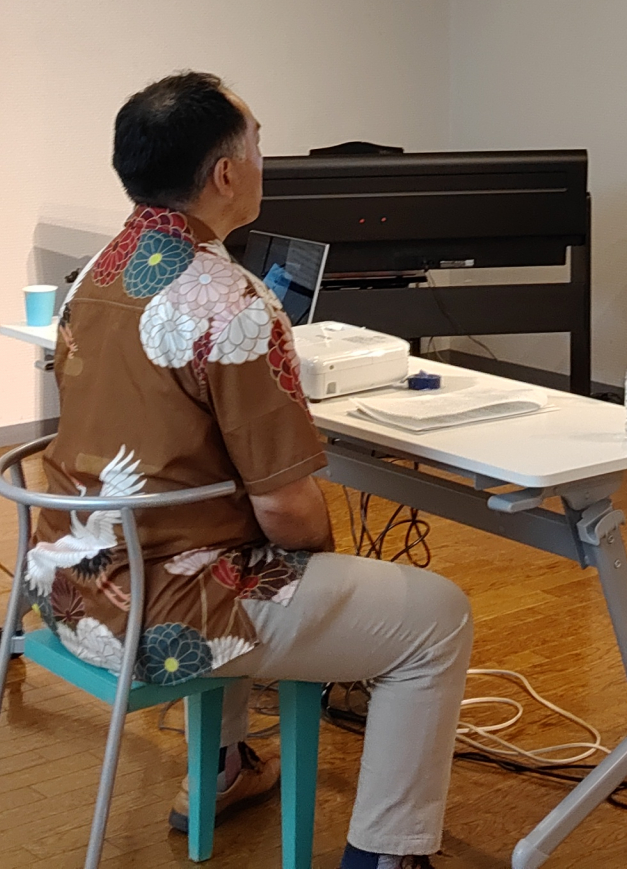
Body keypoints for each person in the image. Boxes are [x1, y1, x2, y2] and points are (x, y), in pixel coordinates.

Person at [27, 72, 471, 868]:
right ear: (226, 174)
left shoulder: (96, 271)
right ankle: (387, 855)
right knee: (434, 616)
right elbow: (287, 512)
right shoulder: (233, 303)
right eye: (259, 143)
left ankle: (224, 765)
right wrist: (322, 570)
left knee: (232, 546)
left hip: (65, 581)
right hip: (157, 612)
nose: (267, 159)